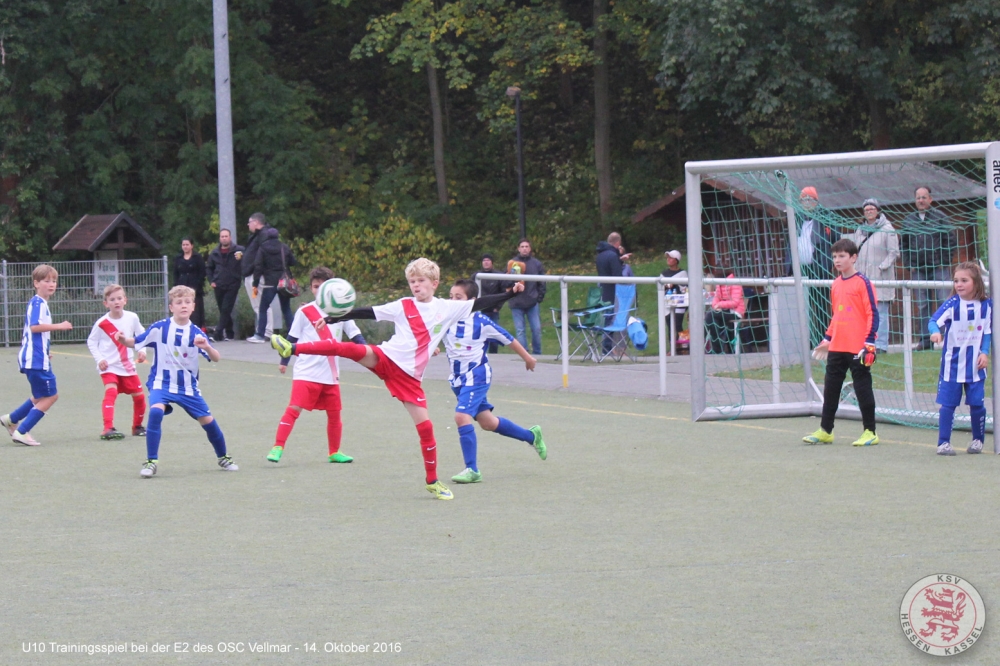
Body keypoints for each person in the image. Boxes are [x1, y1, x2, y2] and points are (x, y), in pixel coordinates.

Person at [269, 258, 523, 500]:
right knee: (346, 348)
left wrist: (510, 293)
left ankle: (433, 481)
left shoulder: (447, 308)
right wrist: (337, 317)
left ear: (434, 283)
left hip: (409, 378)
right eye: (412, 281)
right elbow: (369, 312)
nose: (416, 285)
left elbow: (481, 303)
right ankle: (291, 348)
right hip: (386, 358)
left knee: (426, 428)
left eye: (421, 281)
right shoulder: (403, 305)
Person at [116, 285, 238, 478]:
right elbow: (136, 341)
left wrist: (207, 347)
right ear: (171, 307)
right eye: (179, 302)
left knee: (208, 421)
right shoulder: (160, 328)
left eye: (187, 302)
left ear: (193, 306)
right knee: (156, 412)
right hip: (161, 383)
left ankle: (223, 456)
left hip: (187, 387)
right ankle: (151, 461)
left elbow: (216, 357)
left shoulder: (196, 333)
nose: (184, 305)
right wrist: (124, 340)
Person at [441, 278, 547, 484]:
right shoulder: (446, 319)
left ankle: (472, 470)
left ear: (472, 301)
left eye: (458, 298)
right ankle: (531, 436)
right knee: (488, 423)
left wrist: (528, 358)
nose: (453, 301)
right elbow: (431, 335)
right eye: (451, 297)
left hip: (477, 377)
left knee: (461, 416)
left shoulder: (482, 322)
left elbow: (509, 339)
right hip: (458, 380)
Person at [267, 267, 367, 464]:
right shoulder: (305, 311)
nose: (318, 290)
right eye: (315, 286)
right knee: (294, 408)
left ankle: (334, 452)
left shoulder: (342, 311)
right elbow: (291, 339)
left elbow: (355, 335)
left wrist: (368, 352)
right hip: (306, 371)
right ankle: (278, 446)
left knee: (335, 414)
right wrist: (284, 361)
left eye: (322, 287)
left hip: (330, 373)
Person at [802, 238, 879, 447]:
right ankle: (825, 430)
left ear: (853, 258)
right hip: (837, 346)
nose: (837, 260)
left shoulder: (863, 283)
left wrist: (869, 342)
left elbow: (872, 313)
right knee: (831, 388)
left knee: (862, 388)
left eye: (842, 256)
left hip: (858, 347)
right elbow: (837, 315)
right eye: (835, 256)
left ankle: (870, 431)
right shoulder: (835, 284)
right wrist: (828, 338)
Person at [0, 265, 73, 446]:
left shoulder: (39, 303)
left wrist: (45, 352)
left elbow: (35, 334)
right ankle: (22, 431)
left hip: (35, 357)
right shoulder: (38, 303)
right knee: (51, 396)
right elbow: (35, 327)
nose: (51, 284)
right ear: (36, 283)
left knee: (40, 395)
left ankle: (11, 419)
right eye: (46, 281)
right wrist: (60, 326)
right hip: (35, 359)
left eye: (54, 281)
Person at [928, 262, 991, 456]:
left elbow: (987, 332)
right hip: (952, 365)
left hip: (975, 365)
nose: (959, 284)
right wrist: (935, 332)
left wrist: (984, 352)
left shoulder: (986, 305)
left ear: (976, 282)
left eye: (964, 280)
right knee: (948, 404)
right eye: (956, 281)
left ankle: (978, 441)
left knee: (977, 404)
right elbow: (933, 321)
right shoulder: (952, 304)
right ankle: (943, 443)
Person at [86, 284, 148, 440]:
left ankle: (137, 427)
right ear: (106, 303)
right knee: (111, 391)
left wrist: (142, 350)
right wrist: (100, 359)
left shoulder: (132, 317)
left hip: (127, 366)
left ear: (125, 300)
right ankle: (108, 428)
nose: (116, 302)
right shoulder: (102, 323)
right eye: (112, 299)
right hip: (109, 366)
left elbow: (142, 334)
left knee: (140, 397)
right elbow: (91, 341)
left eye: (119, 298)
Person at [901, 186, 957, 351]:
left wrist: (944, 261)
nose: (921, 200)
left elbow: (951, 239)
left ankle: (946, 337)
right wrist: (909, 265)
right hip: (918, 269)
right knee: (922, 304)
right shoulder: (908, 220)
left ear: (930, 199)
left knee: (943, 302)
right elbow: (903, 244)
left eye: (924, 197)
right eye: (918, 198)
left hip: (939, 268)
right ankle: (925, 340)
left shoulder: (941, 217)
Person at [846, 198, 899, 354]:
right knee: (864, 311)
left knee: (880, 312)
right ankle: (866, 342)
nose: (869, 212)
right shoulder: (860, 230)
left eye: (872, 209)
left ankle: (881, 345)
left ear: (877, 211)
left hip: (881, 278)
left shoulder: (887, 229)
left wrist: (882, 267)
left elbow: (894, 252)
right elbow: (855, 251)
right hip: (863, 278)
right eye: (866, 209)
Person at [787, 187, 836, 346]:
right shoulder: (796, 219)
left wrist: (829, 263)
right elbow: (790, 244)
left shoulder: (825, 217)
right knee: (802, 306)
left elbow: (835, 240)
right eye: (804, 199)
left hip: (819, 269)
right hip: (801, 270)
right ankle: (806, 339)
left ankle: (822, 338)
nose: (807, 202)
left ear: (816, 201)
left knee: (820, 306)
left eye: (810, 199)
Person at [251, 226, 296, 342]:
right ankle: (293, 335)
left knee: (263, 308)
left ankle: (260, 335)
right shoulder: (284, 247)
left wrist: (255, 283)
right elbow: (293, 262)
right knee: (286, 309)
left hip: (269, 283)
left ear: (267, 236)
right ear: (277, 236)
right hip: (283, 283)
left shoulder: (263, 248)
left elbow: (258, 266)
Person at [241, 212, 278, 340]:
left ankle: (265, 332)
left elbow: (261, 257)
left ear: (256, 222)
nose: (248, 225)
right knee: (259, 305)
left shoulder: (262, 235)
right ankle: (264, 331)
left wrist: (254, 270)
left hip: (256, 275)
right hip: (253, 274)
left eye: (249, 222)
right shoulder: (258, 236)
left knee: (261, 305)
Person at [506, 239, 546, 355]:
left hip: (532, 302)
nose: (524, 249)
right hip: (516, 302)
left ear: (530, 249)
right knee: (520, 331)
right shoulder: (512, 263)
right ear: (518, 249)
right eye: (522, 246)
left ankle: (537, 353)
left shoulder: (536, 264)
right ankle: (524, 354)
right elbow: (505, 281)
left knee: (536, 329)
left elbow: (542, 281)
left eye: (526, 246)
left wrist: (539, 297)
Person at [206, 228, 244, 342]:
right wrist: (211, 281)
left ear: (230, 237)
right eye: (222, 236)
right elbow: (209, 268)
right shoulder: (214, 253)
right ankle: (230, 333)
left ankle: (217, 333)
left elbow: (248, 259)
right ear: (219, 238)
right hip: (218, 284)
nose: (224, 238)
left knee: (226, 308)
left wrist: (242, 257)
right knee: (223, 310)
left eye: (226, 236)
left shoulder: (239, 250)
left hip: (233, 284)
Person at [706, 267, 744, 354]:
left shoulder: (734, 283)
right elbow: (716, 299)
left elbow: (735, 302)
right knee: (713, 319)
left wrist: (719, 305)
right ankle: (717, 349)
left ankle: (715, 348)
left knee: (710, 315)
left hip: (735, 313)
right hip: (724, 312)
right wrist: (716, 305)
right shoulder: (719, 284)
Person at [173, 237, 207, 328]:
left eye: (187, 244)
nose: (185, 246)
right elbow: (175, 273)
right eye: (183, 245)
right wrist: (176, 288)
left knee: (196, 313)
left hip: (195, 289)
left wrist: (197, 286)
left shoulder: (198, 258)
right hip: (181, 289)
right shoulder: (178, 258)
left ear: (192, 246)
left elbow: (202, 273)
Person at [474, 253, 503, 353]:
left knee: (494, 334)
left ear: (492, 262)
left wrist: (498, 307)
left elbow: (503, 292)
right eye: (484, 260)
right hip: (480, 310)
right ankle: (479, 354)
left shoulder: (498, 276)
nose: (486, 262)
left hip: (493, 310)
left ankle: (494, 354)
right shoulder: (476, 276)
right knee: (479, 333)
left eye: (488, 260)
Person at [661, 250, 688, 346]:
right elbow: (661, 287)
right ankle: (673, 347)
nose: (668, 259)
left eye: (671, 258)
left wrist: (675, 284)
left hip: (680, 303)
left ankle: (682, 346)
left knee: (677, 324)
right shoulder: (663, 273)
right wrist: (668, 286)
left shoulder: (683, 273)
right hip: (668, 302)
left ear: (676, 260)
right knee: (669, 324)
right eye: (668, 257)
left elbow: (685, 288)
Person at [595, 232, 624, 305]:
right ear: (618, 242)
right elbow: (618, 276)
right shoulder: (613, 256)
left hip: (602, 289)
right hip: (613, 292)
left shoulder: (599, 255)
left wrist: (619, 260)